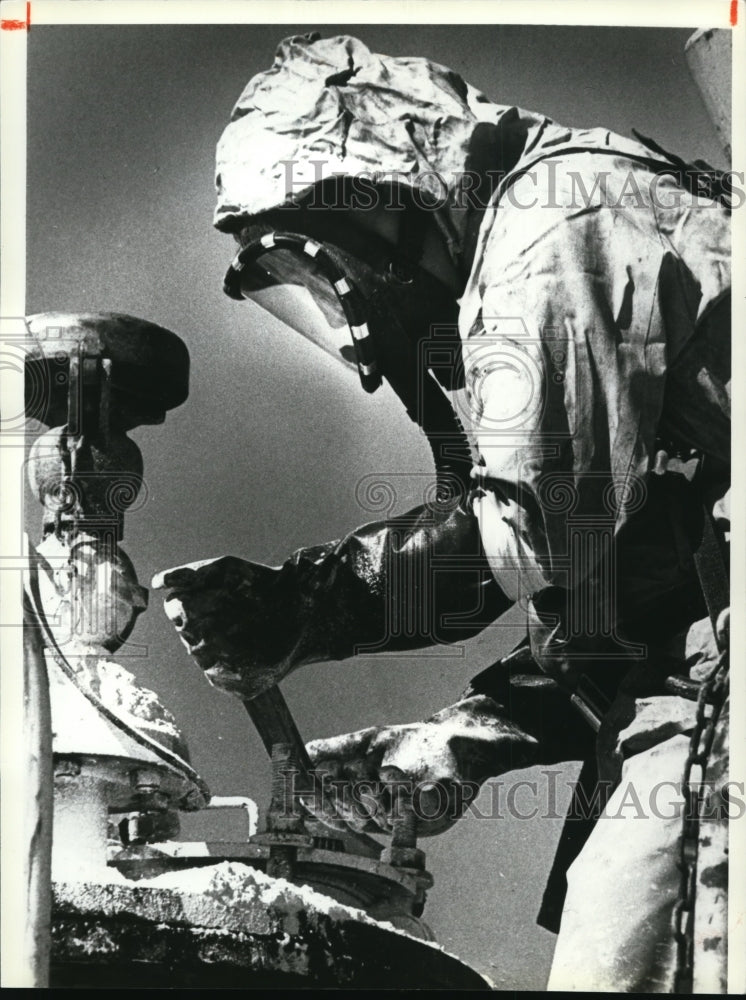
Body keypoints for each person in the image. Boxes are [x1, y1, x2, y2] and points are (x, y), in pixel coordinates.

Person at [153, 34, 731, 991]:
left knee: (634, 944)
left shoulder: (554, 221)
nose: (353, 333)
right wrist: (452, 745)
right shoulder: (583, 218)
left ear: (380, 199)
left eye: (309, 270)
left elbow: (525, 533)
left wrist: (302, 602)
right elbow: (648, 597)